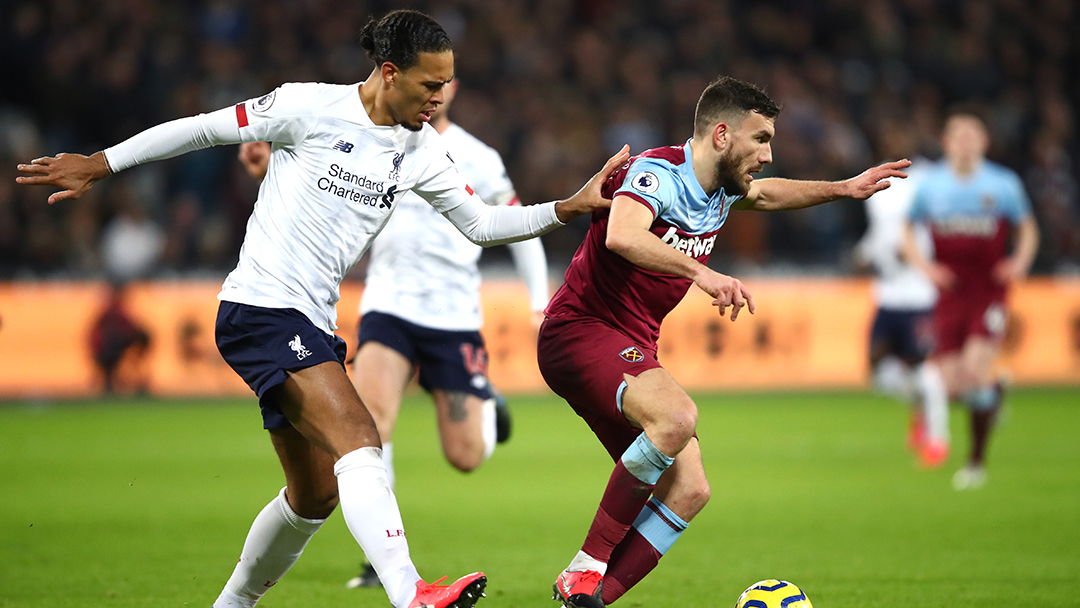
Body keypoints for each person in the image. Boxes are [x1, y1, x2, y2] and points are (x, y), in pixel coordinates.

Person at [16, 10, 628, 608]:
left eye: (446, 85)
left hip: (310, 320)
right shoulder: (307, 106)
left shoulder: (420, 151)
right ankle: (411, 593)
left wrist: (568, 207)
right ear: (389, 72)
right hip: (261, 306)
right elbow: (203, 128)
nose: (440, 98)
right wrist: (102, 163)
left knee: (312, 497)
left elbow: (484, 224)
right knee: (360, 435)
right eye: (430, 84)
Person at [537, 75, 909, 608]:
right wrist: (704, 274)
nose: (768, 153)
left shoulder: (724, 188)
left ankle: (590, 601)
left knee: (690, 491)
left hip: (632, 342)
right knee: (677, 417)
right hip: (580, 330)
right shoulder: (657, 173)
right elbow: (622, 234)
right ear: (721, 135)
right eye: (760, 139)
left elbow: (765, 194)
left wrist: (843, 187)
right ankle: (585, 569)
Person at [902, 110, 1039, 491]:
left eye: (971, 136)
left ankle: (976, 463)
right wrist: (927, 269)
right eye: (957, 136)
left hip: (989, 292)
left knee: (975, 371)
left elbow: (1028, 228)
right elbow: (907, 230)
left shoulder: (1003, 184)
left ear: (984, 142)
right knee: (953, 387)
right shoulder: (931, 186)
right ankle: (995, 393)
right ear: (946, 142)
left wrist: (1020, 261)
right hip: (950, 294)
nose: (964, 143)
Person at [854, 128, 949, 467]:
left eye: (898, 138)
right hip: (888, 292)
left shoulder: (929, 178)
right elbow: (880, 233)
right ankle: (920, 406)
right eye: (888, 139)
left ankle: (938, 440)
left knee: (923, 368)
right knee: (878, 372)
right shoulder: (878, 181)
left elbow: (936, 226)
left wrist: (918, 254)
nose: (892, 143)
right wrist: (862, 253)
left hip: (919, 293)